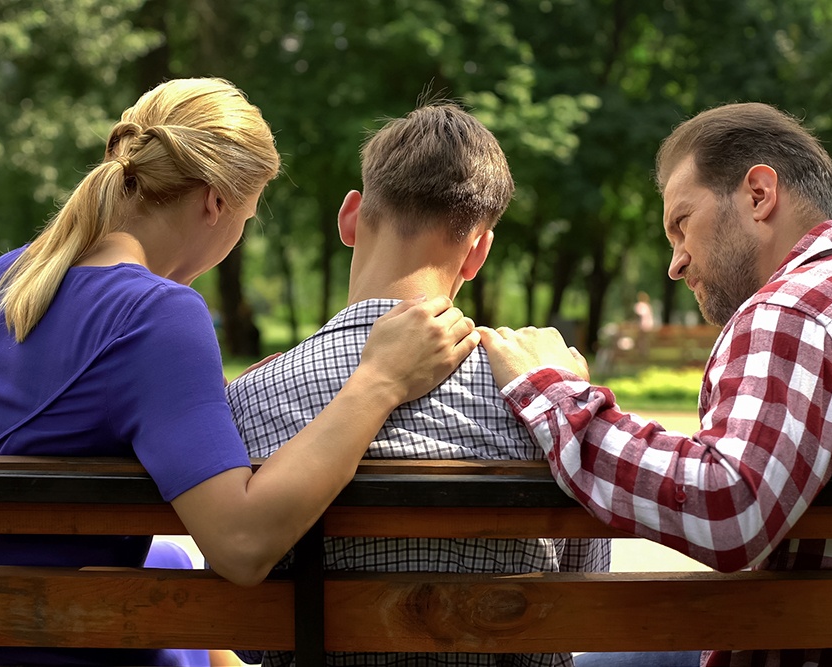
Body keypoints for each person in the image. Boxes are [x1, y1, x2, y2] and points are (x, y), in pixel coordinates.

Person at [0, 78, 478, 667]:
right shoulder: (157, 313)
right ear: (213, 203)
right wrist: (379, 379)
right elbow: (241, 545)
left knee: (173, 565)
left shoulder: (5, 278)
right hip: (58, 640)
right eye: (246, 218)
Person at [479, 102, 832, 667]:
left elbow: (728, 506)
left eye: (681, 224)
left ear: (759, 194)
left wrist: (552, 390)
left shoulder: (794, 310)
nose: (675, 264)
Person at [226, 102, 611, 667]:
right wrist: (574, 397)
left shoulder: (253, 397)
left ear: (350, 217)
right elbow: (580, 602)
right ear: (478, 251)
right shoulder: (545, 401)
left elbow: (250, 637)